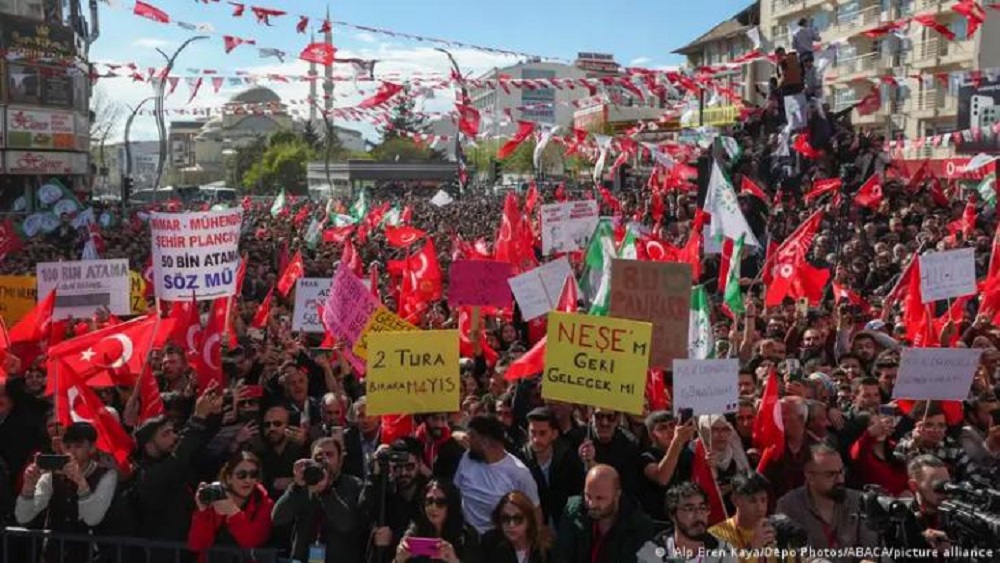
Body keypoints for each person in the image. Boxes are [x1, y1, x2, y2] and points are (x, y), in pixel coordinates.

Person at [15, 421, 118, 561]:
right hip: (54, 554)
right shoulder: (51, 475)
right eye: (67, 446)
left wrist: (80, 481)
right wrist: (28, 486)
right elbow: (23, 517)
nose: (71, 452)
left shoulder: (107, 475)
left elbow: (92, 518)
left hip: (89, 556)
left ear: (93, 448)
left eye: (78, 446)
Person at [131, 384, 221, 543]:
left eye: (174, 431)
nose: (174, 437)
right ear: (149, 444)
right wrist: (198, 416)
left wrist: (210, 414)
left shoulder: (174, 457)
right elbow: (179, 457)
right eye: (166, 434)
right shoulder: (146, 475)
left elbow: (194, 442)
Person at [272, 437, 366, 563]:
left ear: (341, 460)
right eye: (319, 457)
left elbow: (346, 524)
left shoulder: (354, 485)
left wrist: (325, 491)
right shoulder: (302, 486)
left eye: (329, 455)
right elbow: (278, 518)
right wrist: (296, 486)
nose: (324, 461)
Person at [774, 444, 877, 555]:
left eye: (841, 472)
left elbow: (872, 551)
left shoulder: (859, 502)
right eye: (831, 474)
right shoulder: (788, 507)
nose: (840, 480)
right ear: (810, 477)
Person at [453, 415, 540, 534]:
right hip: (468, 537)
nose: (468, 439)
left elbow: (535, 510)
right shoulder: (467, 458)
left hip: (500, 540)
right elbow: (456, 489)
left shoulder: (519, 473)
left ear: (486, 442)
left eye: (472, 436)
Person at [556, 464, 653, 563]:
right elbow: (562, 556)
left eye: (600, 498)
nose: (592, 504)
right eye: (588, 496)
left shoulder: (638, 526)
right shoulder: (574, 512)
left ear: (617, 495)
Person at [188, 451, 274, 561]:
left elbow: (253, 541)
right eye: (241, 475)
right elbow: (197, 544)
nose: (248, 480)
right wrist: (202, 512)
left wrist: (233, 513)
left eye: (253, 474)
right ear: (229, 478)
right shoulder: (216, 497)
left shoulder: (264, 503)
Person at [516, 406, 584, 528]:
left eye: (542, 433)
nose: (536, 439)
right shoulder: (521, 460)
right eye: (533, 432)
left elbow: (578, 495)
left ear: (554, 434)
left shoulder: (568, 458)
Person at [637, 482, 736, 563]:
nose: (698, 515)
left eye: (702, 508)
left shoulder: (724, 551)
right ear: (673, 515)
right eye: (689, 509)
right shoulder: (651, 555)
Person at [364, 438, 428, 561]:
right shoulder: (386, 494)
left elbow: (436, 546)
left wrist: (395, 538)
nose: (403, 472)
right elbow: (363, 513)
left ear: (419, 464)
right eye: (397, 467)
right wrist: (375, 474)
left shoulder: (432, 497)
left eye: (409, 467)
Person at [394, 479, 482, 563]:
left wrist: (453, 560)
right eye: (429, 501)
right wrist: (399, 560)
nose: (433, 507)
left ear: (451, 505)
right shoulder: (415, 530)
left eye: (440, 502)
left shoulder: (466, 535)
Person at [638, 410, 694, 522]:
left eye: (672, 425)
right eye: (662, 428)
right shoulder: (646, 457)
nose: (669, 430)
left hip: (685, 518)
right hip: (658, 522)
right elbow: (662, 478)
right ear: (652, 435)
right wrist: (677, 442)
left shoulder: (687, 453)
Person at [708, 472, 777, 560]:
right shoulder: (716, 536)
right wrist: (751, 548)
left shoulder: (775, 532)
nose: (760, 508)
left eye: (763, 500)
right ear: (735, 500)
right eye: (752, 501)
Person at [577, 408, 640, 496]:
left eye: (611, 417)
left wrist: (592, 463)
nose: (604, 423)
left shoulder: (629, 443)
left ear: (617, 419)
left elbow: (625, 488)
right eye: (599, 416)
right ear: (591, 416)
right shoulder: (578, 437)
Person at [481, 491, 554, 563]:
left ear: (529, 520)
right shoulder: (491, 544)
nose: (511, 525)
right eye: (506, 519)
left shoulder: (546, 546)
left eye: (517, 519)